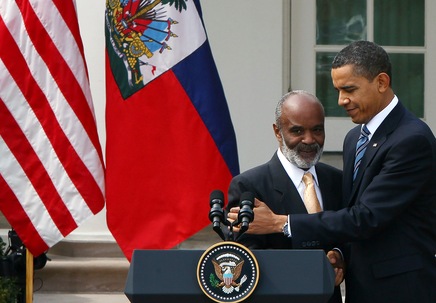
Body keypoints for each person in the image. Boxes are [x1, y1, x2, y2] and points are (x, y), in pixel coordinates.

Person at [228, 40, 436, 303]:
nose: (341, 101)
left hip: (401, 290)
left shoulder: (411, 139)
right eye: (337, 90)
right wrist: (339, 254)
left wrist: (281, 222)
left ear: (381, 82)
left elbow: (366, 217)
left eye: (349, 89)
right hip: (361, 289)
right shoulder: (354, 139)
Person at [227, 90, 344, 303]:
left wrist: (339, 256)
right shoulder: (249, 186)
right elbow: (246, 259)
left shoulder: (338, 181)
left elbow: (352, 232)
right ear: (277, 131)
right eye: (297, 131)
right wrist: (309, 268)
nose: (309, 140)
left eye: (317, 130)